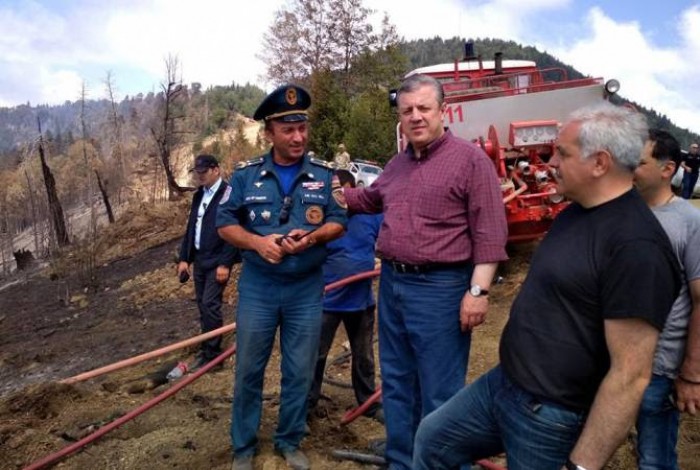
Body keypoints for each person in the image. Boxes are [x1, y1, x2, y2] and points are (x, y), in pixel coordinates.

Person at [412, 102, 682, 470]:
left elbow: (630, 376)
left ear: (600, 163)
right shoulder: (576, 211)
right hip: (503, 384)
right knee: (433, 440)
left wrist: (581, 466)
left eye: (563, 153)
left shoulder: (637, 249)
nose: (551, 162)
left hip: (549, 416)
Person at [343, 74, 509, 469]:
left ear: (442, 110)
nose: (415, 117)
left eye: (423, 108)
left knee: (441, 392)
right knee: (398, 384)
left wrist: (478, 292)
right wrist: (324, 191)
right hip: (394, 285)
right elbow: (368, 198)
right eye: (407, 111)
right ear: (400, 116)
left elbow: (490, 232)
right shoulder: (397, 165)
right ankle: (403, 461)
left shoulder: (470, 161)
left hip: (441, 288)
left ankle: (444, 464)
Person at [216, 84, 346, 470]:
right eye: (288, 129)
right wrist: (257, 243)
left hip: (306, 288)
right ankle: (244, 446)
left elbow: (339, 220)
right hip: (259, 287)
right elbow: (224, 224)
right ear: (269, 132)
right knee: (249, 369)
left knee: (300, 370)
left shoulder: (324, 176)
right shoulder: (244, 177)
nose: (298, 137)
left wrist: (311, 237)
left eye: (302, 128)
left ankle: (289, 439)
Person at [633, 129, 700, 469]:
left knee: (654, 458)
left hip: (659, 366)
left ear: (667, 169)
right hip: (611, 360)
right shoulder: (621, 213)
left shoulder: (690, 222)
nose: (630, 166)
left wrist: (690, 373)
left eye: (640, 161)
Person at [307, 169, 383, 423]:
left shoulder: (371, 217)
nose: (343, 197)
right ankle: (307, 404)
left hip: (361, 301)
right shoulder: (322, 221)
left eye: (347, 191)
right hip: (326, 301)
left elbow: (388, 240)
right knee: (316, 354)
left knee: (363, 355)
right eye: (337, 192)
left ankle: (369, 402)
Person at [177, 154, 240, 372]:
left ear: (216, 170)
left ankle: (214, 356)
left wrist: (226, 263)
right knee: (202, 305)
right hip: (201, 259)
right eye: (198, 173)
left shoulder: (229, 195)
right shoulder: (198, 196)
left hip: (218, 260)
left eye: (204, 172)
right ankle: (206, 351)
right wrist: (184, 258)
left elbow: (234, 231)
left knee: (210, 304)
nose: (200, 177)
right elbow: (191, 228)